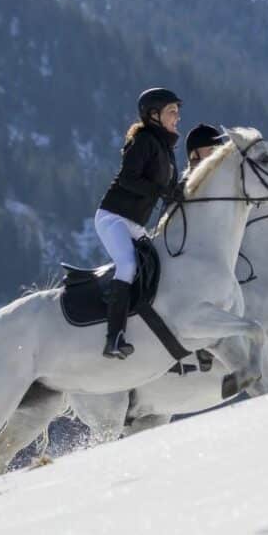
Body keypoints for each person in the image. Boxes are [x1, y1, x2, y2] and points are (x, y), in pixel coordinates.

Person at [95, 87, 186, 359]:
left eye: (177, 112)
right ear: (154, 115)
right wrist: (160, 191)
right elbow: (127, 179)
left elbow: (167, 188)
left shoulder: (166, 149)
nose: (177, 117)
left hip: (134, 223)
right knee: (128, 265)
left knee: (158, 266)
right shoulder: (144, 140)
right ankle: (113, 338)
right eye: (172, 112)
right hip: (113, 217)